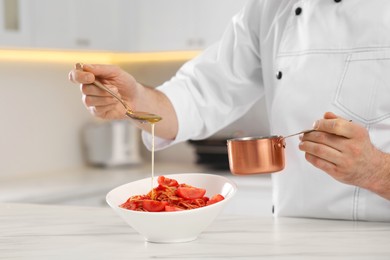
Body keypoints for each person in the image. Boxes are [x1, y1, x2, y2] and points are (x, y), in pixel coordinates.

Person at [69, 0, 390, 221]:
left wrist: (375, 170)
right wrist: (135, 99)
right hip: (293, 236)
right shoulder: (270, 8)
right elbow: (201, 92)